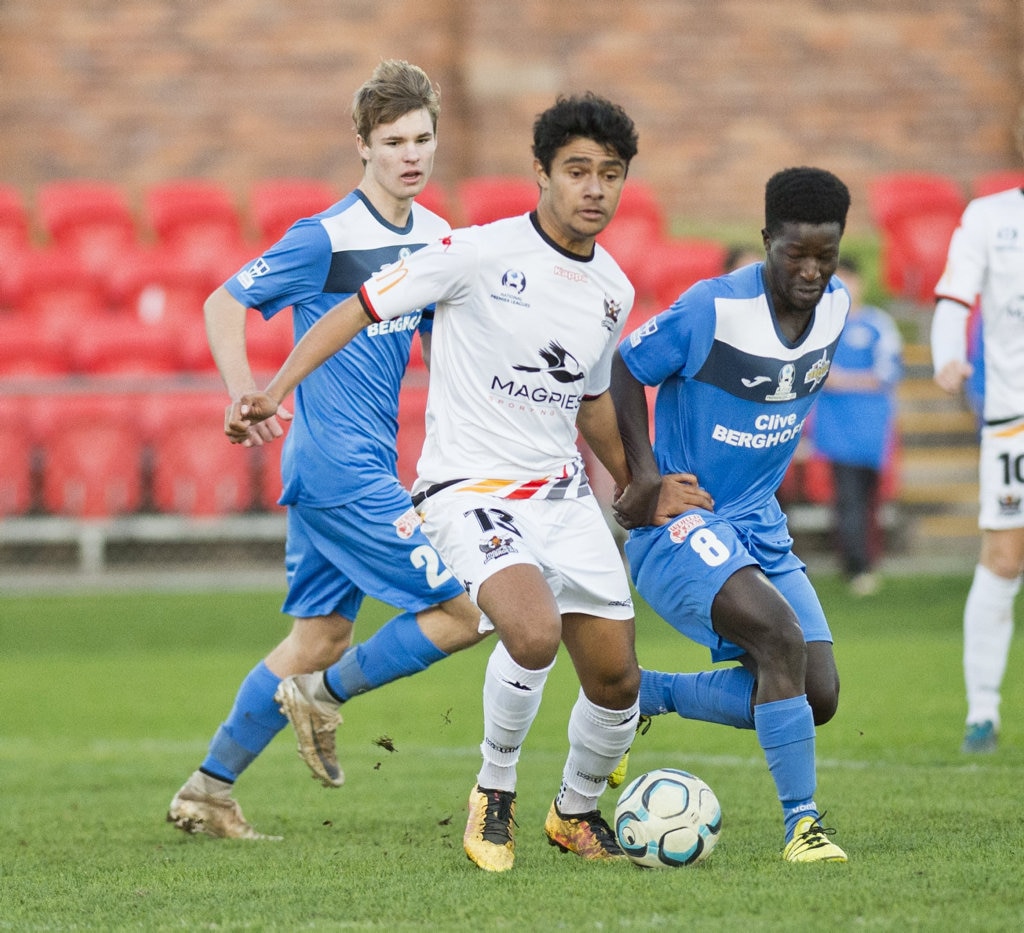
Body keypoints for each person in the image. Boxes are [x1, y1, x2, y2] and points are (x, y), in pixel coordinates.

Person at [229, 92, 710, 872]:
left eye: (610, 175)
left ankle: (576, 811)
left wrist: (638, 486)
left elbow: (590, 404)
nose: (594, 188)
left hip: (561, 498)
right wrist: (276, 389)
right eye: (577, 171)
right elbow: (354, 310)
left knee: (618, 679)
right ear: (542, 174)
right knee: (529, 629)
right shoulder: (475, 253)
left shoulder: (612, 289)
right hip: (468, 490)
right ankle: (495, 794)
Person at [167, 59, 487, 841]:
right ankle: (323, 694)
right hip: (337, 468)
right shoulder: (327, 237)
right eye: (392, 141)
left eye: (422, 139)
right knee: (465, 613)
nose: (411, 155)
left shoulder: (439, 239)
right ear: (362, 146)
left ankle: (208, 789)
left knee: (318, 637)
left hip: (355, 467)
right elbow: (222, 301)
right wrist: (244, 392)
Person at [610, 166, 852, 862]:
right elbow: (627, 365)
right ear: (766, 240)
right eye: (795, 253)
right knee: (779, 636)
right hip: (684, 523)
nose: (811, 271)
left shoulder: (834, 310)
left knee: (818, 692)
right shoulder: (712, 308)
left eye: (825, 256)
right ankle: (802, 827)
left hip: (759, 523)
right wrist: (646, 478)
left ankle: (643, 692)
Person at [931, 179, 1024, 754]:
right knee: (1005, 556)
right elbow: (954, 299)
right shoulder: (990, 217)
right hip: (1015, 417)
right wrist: (947, 355)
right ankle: (983, 711)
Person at [810, 256, 903, 596]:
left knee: (868, 500)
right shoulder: (822, 326)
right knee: (847, 500)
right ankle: (856, 567)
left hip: (872, 429)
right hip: (836, 430)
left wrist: (843, 380)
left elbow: (889, 373)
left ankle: (864, 562)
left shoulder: (879, 324)